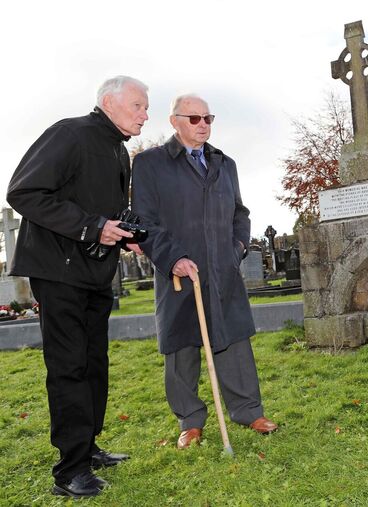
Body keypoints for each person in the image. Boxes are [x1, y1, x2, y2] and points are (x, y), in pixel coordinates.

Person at [7, 75, 149, 498]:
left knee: (94, 363)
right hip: (58, 271)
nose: (145, 114)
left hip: (94, 273)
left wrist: (123, 231)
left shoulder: (118, 150)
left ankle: (87, 448)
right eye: (139, 105)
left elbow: (101, 212)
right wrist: (93, 227)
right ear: (109, 101)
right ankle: (69, 471)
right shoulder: (70, 133)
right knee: (69, 366)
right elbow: (23, 192)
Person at [131, 93, 277, 450]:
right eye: (194, 119)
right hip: (179, 271)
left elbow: (239, 214)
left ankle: (248, 411)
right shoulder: (150, 163)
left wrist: (238, 248)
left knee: (233, 342)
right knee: (181, 348)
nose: (203, 126)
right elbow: (144, 222)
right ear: (174, 121)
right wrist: (172, 258)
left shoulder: (224, 163)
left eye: (208, 119)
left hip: (222, 269)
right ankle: (190, 421)